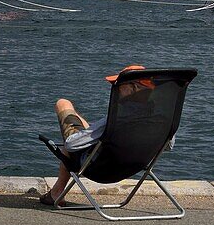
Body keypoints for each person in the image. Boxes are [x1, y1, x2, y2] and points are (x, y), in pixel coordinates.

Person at [40, 64, 148, 206]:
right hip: (135, 166)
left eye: (118, 86)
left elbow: (72, 144)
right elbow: (168, 146)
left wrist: (83, 137)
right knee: (84, 128)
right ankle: (56, 193)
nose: (115, 88)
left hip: (100, 168)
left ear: (133, 88)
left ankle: (57, 193)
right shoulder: (161, 117)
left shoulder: (119, 117)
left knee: (63, 104)